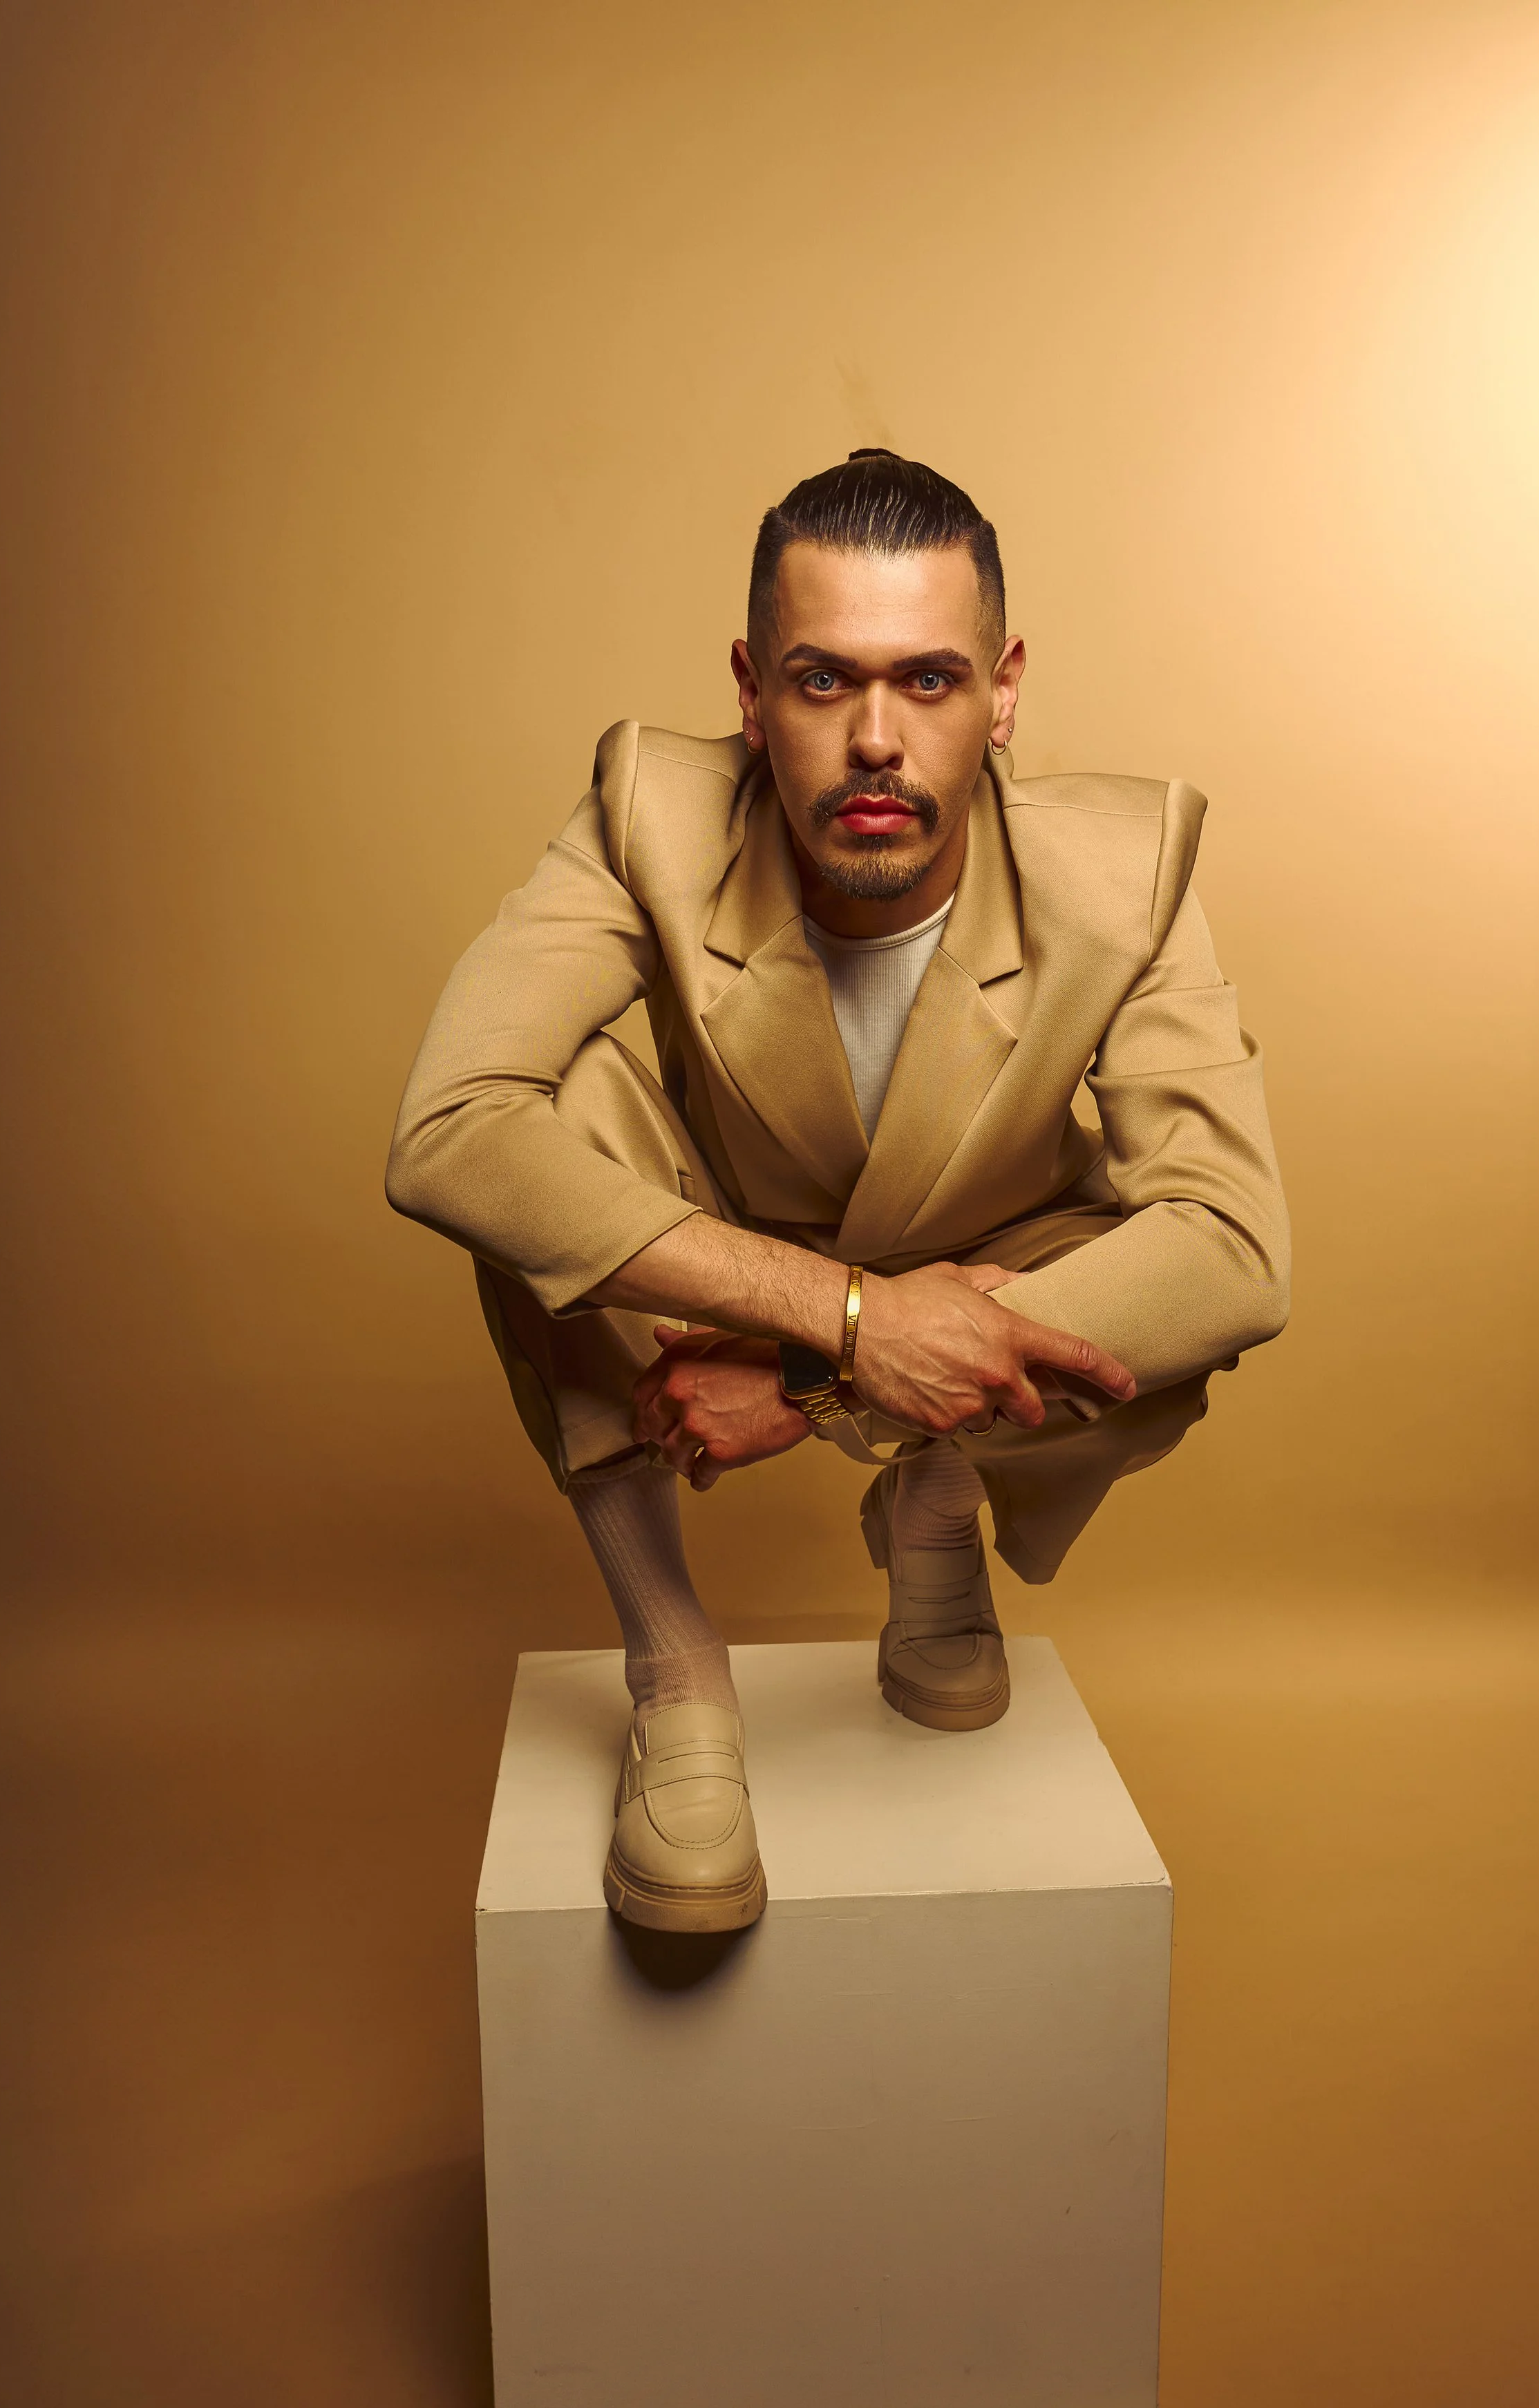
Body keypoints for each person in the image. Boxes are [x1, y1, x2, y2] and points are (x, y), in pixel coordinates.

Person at [386, 450, 1289, 1934]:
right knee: (538, 1159)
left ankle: (937, 1500)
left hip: (982, 1259)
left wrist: (825, 1379)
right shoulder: (648, 812)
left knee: (1160, 1283)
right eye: (824, 681)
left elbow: (1235, 1250)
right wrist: (849, 1314)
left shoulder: (1124, 868)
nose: (877, 739)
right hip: (739, 1250)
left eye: (929, 681)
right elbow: (447, 1132)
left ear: (1002, 693)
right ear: (752, 693)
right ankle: (675, 1668)